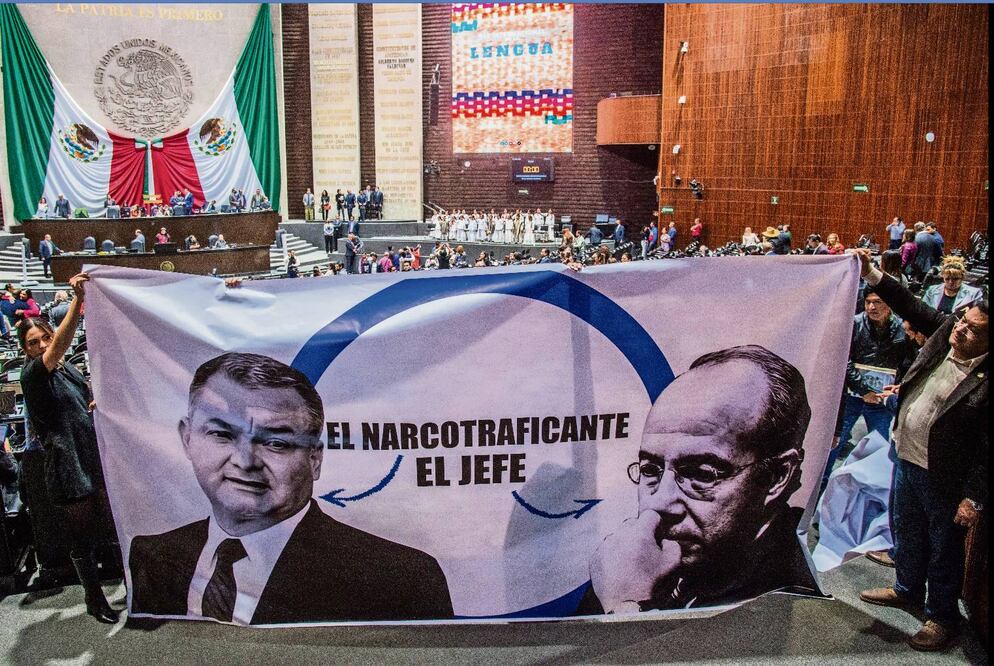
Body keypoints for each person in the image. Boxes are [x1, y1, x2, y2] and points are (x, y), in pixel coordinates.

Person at [128, 352, 453, 624]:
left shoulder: (400, 578)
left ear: (315, 459)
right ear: (187, 439)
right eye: (222, 434)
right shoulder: (151, 554)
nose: (245, 461)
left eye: (276, 442)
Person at [582, 345, 816, 614]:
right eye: (650, 469)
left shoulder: (787, 596)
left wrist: (625, 605)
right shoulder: (634, 563)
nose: (660, 503)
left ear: (778, 476)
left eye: (701, 474)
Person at [854, 249, 987, 652]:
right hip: (907, 456)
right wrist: (872, 273)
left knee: (943, 548)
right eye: (961, 320)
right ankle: (907, 588)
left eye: (972, 329)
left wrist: (974, 496)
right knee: (907, 531)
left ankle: (941, 616)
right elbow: (908, 303)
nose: (960, 329)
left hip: (944, 474)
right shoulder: (946, 331)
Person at [18, 273, 120, 623]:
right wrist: (79, 300)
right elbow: (61, 345)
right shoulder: (32, 374)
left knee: (105, 525)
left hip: (90, 454)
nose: (43, 344)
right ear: (25, 350)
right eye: (35, 342)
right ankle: (94, 599)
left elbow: (83, 400)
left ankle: (112, 588)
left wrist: (91, 404)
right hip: (67, 463)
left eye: (45, 337)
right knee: (83, 536)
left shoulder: (69, 370)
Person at [821, 288, 909, 489]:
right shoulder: (855, 323)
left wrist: (896, 389)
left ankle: (870, 493)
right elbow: (844, 359)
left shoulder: (901, 328)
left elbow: (905, 363)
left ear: (889, 305)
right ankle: (819, 493)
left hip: (882, 399)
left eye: (877, 302)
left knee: (880, 449)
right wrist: (863, 390)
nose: (872, 307)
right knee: (833, 445)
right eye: (868, 302)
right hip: (852, 397)